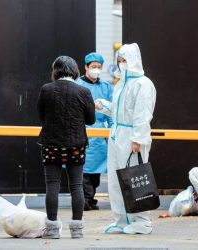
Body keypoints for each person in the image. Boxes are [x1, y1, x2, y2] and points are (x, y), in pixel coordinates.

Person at [95, 43, 156, 234]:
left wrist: (138, 138)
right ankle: (121, 220)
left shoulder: (143, 84)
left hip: (132, 137)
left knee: (135, 178)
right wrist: (104, 105)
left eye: (125, 61)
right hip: (116, 135)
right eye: (119, 61)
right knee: (115, 180)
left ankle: (142, 221)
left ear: (134, 61)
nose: (121, 64)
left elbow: (142, 114)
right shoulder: (121, 83)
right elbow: (118, 110)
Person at [37, 56, 95, 239]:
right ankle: (77, 230)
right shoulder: (83, 91)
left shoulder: (46, 89)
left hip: (51, 144)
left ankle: (52, 229)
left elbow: (41, 116)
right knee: (77, 186)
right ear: (75, 70)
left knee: (52, 186)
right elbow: (91, 120)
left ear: (55, 70)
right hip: (76, 145)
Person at [77, 52, 113, 211]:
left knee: (96, 170)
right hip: (82, 130)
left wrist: (112, 130)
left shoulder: (105, 87)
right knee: (83, 168)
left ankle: (89, 199)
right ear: (85, 67)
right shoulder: (77, 85)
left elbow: (112, 110)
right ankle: (85, 199)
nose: (96, 70)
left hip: (100, 133)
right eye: (93, 67)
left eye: (99, 67)